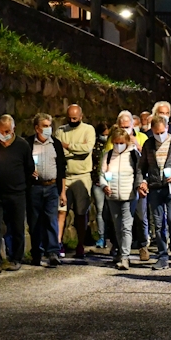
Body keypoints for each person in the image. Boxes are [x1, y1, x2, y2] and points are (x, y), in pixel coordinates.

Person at [0, 115, 34, 273]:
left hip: (17, 193)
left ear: (13, 130)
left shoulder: (22, 145)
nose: (3, 134)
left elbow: (29, 168)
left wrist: (24, 186)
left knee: (17, 226)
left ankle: (16, 258)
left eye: (7, 131)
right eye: (0, 131)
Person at [138, 115, 171, 269]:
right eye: (155, 133)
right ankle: (162, 255)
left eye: (161, 132)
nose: (159, 136)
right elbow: (142, 167)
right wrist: (141, 182)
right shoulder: (148, 144)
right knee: (158, 224)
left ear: (167, 128)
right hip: (155, 187)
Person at [106, 111, 150, 261]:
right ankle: (121, 249)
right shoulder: (112, 141)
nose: (125, 130)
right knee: (121, 222)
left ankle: (143, 245)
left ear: (133, 125)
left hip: (136, 187)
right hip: (118, 188)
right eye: (122, 127)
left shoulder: (142, 137)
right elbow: (107, 160)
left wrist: (134, 144)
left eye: (127, 126)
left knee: (140, 216)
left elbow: (146, 160)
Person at [25, 113, 67, 268]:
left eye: (50, 126)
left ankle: (53, 252)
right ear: (37, 128)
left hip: (51, 187)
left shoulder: (55, 144)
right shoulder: (28, 144)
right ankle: (37, 252)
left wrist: (62, 192)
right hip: (34, 188)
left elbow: (62, 169)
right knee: (34, 221)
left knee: (51, 219)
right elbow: (23, 166)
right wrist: (29, 172)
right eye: (44, 126)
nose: (48, 129)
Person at [54, 104, 96, 259]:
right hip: (65, 175)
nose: (72, 120)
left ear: (81, 116)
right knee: (61, 211)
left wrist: (68, 147)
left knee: (81, 212)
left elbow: (86, 149)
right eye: (69, 118)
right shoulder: (60, 131)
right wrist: (74, 150)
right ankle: (58, 243)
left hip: (82, 175)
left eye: (75, 118)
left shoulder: (88, 130)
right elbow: (59, 151)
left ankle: (80, 244)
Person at [101, 127, 142, 270]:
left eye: (121, 142)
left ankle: (125, 257)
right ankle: (120, 252)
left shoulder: (133, 155)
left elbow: (139, 172)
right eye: (116, 142)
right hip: (112, 196)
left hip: (129, 196)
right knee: (117, 227)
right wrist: (104, 185)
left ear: (126, 141)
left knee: (126, 227)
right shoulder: (108, 155)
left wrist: (138, 187)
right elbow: (102, 174)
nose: (118, 145)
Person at [91, 122, 110, 249]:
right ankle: (102, 236)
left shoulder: (113, 146)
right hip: (98, 182)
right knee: (100, 210)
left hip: (112, 182)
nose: (106, 137)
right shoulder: (94, 146)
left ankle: (111, 238)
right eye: (104, 134)